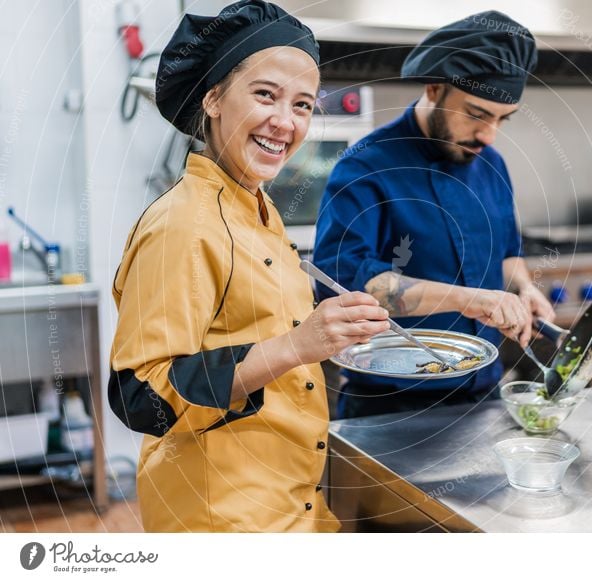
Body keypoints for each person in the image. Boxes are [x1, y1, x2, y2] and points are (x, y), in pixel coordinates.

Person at [107, 1, 389, 532]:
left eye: (303, 104)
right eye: (266, 95)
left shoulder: (258, 209)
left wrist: (327, 337)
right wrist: (298, 345)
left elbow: (257, 335)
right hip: (223, 518)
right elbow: (142, 396)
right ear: (213, 98)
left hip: (291, 503)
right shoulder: (183, 225)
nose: (286, 122)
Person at [314, 11, 555, 418]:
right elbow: (344, 286)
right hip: (389, 405)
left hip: (483, 397)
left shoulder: (490, 162)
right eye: (477, 113)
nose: (489, 134)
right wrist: (467, 300)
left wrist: (525, 289)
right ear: (433, 88)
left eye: (501, 119)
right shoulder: (366, 167)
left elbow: (507, 252)